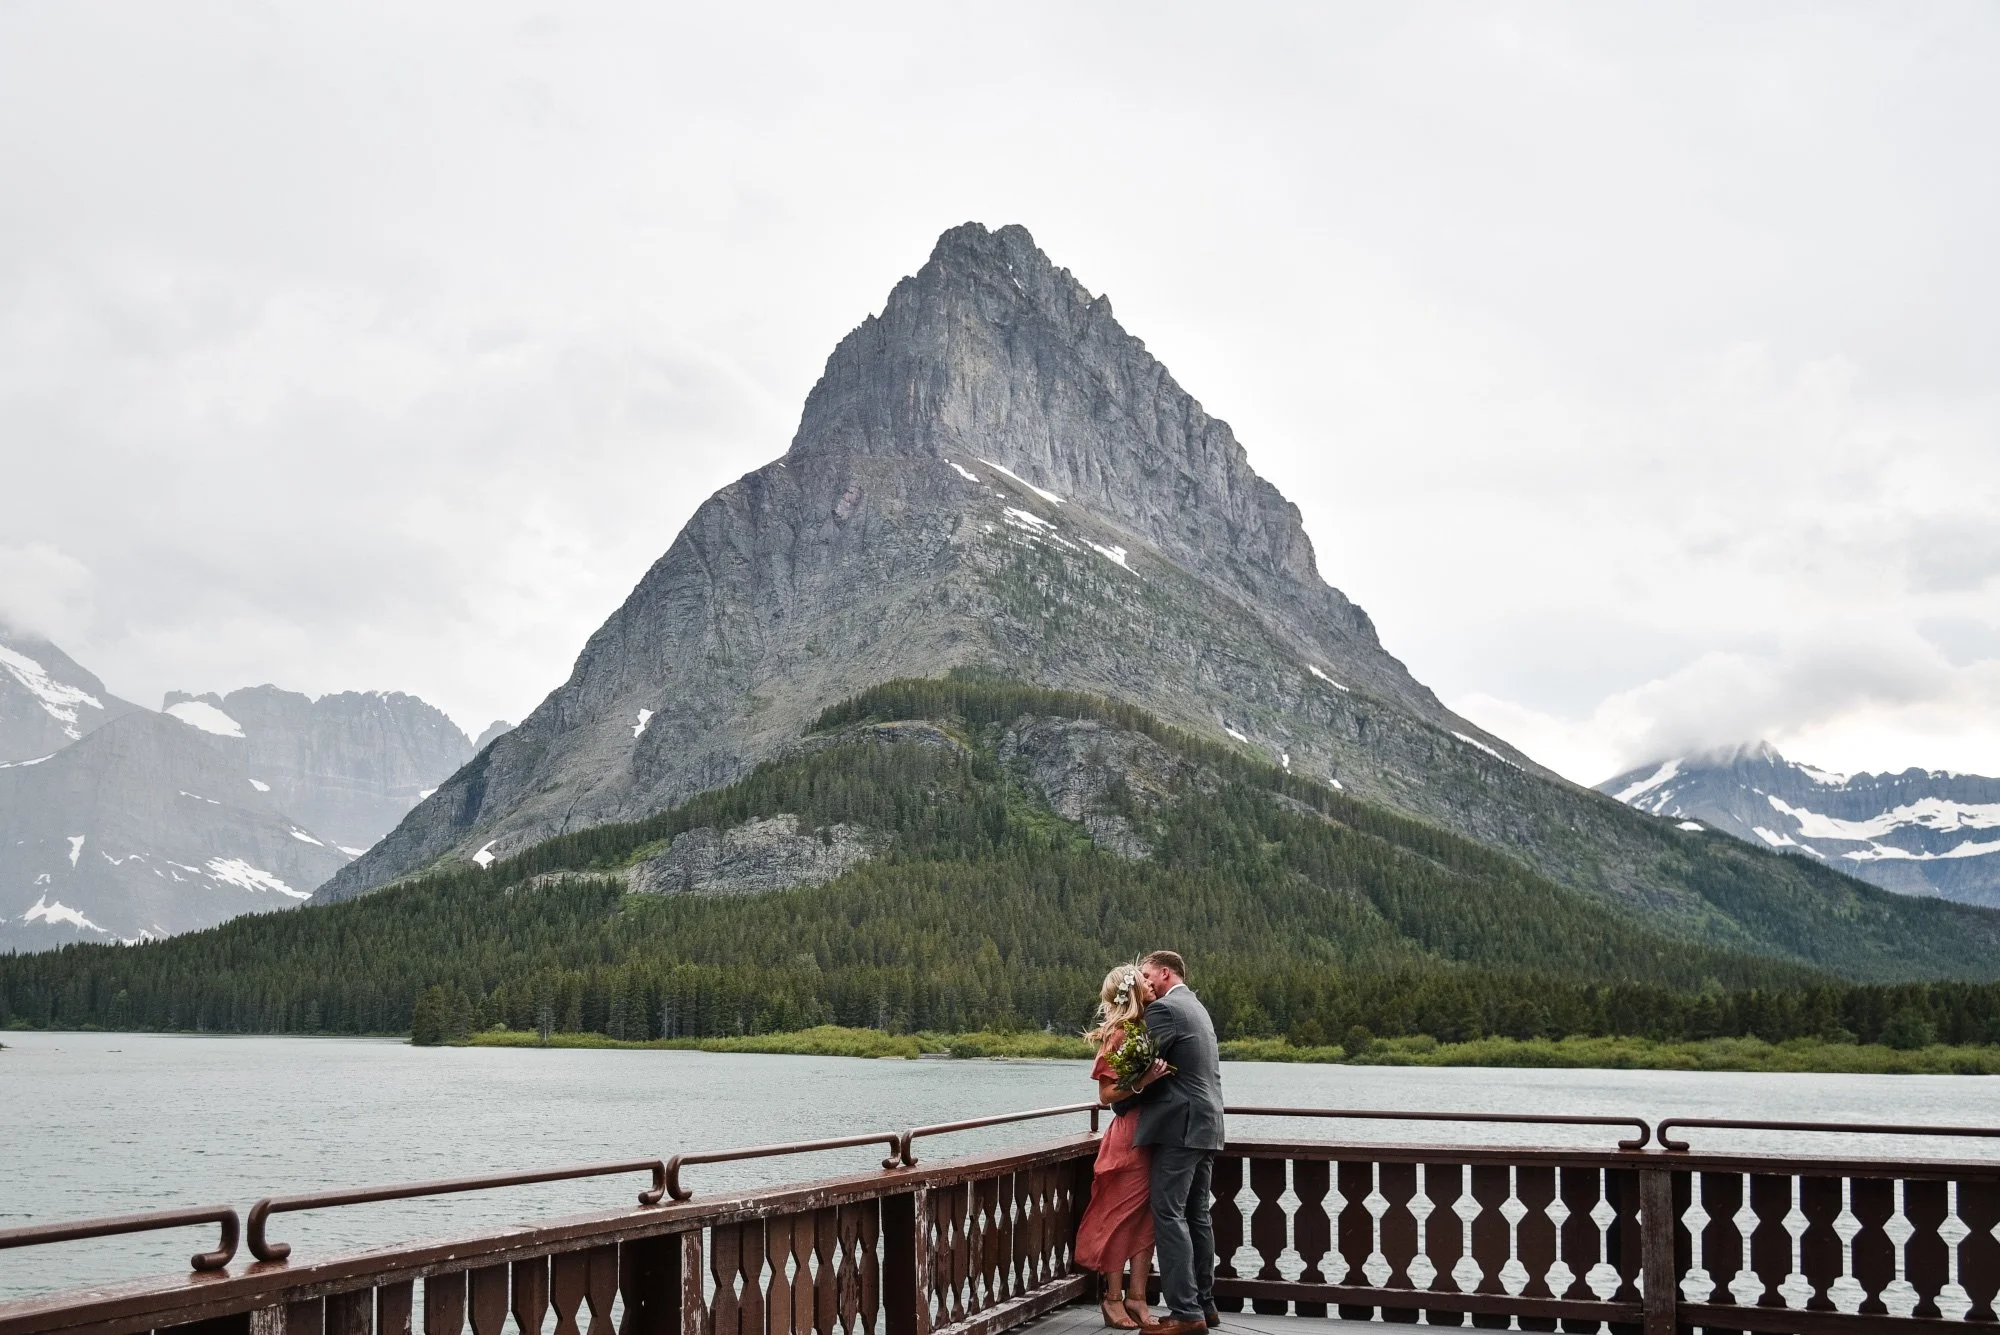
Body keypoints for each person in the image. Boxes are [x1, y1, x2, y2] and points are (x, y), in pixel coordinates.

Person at [1127, 950, 1224, 1335]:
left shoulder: (1165, 1011)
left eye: (1148, 975)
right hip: (1208, 1123)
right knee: (1197, 1215)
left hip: (1180, 1127)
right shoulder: (1196, 1006)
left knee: (1169, 1214)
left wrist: (1122, 1097)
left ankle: (1185, 1313)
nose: (1144, 982)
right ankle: (1205, 1305)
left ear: (1165, 973)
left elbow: (1140, 1066)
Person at [1073, 963, 1162, 1330]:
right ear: (1131, 991)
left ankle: (1137, 1298)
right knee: (1119, 1217)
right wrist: (1144, 1080)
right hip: (1129, 1136)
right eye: (1143, 979)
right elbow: (1107, 1095)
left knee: (1148, 1220)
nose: (1151, 982)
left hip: (1154, 1133)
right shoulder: (1119, 1035)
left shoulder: (1147, 1029)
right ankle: (1112, 1299)